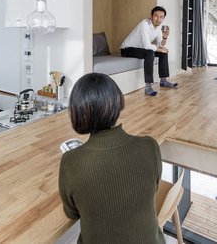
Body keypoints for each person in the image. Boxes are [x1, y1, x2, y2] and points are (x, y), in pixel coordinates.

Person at [58, 73, 165, 244]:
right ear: (118, 103)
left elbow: (71, 213)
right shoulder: (150, 147)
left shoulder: (71, 161)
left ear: (77, 112)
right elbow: (152, 188)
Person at [120, 6, 178, 96]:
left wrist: (165, 37)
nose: (158, 19)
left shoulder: (159, 28)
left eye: (161, 17)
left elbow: (161, 45)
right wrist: (160, 49)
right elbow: (147, 46)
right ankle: (148, 86)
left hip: (140, 49)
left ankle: (163, 81)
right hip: (126, 49)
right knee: (150, 52)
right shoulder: (145, 24)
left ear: (163, 18)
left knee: (164, 52)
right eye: (156, 16)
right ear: (151, 16)